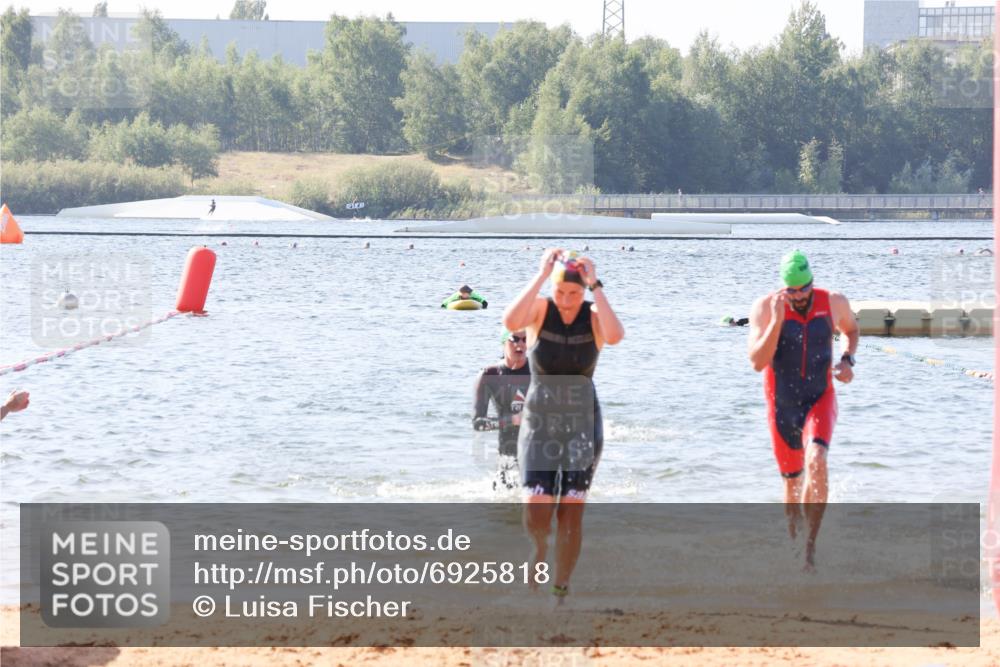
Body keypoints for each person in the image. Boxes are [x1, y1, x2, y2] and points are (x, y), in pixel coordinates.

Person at [503, 249, 624, 604]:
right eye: (561, 293)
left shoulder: (596, 314)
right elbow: (511, 321)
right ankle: (539, 549)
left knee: (571, 512)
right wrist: (541, 275)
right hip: (540, 420)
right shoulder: (540, 310)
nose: (567, 302)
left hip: (582, 423)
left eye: (574, 294)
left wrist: (595, 284)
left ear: (583, 291)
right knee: (537, 507)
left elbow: (615, 337)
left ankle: (561, 588)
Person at [747, 250, 859, 572]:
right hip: (782, 405)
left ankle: (809, 550)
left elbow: (851, 330)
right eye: (792, 290)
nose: (798, 296)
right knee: (792, 486)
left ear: (811, 282)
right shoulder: (764, 308)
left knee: (817, 460)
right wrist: (778, 320)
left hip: (819, 398)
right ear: (783, 288)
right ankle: (793, 543)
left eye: (804, 288)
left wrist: (847, 360)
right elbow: (756, 361)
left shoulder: (833, 301)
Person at [473, 329, 531, 491]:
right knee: (503, 510)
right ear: (503, 342)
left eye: (525, 339)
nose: (520, 344)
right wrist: (513, 420)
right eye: (514, 339)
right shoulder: (488, 375)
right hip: (508, 457)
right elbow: (478, 423)